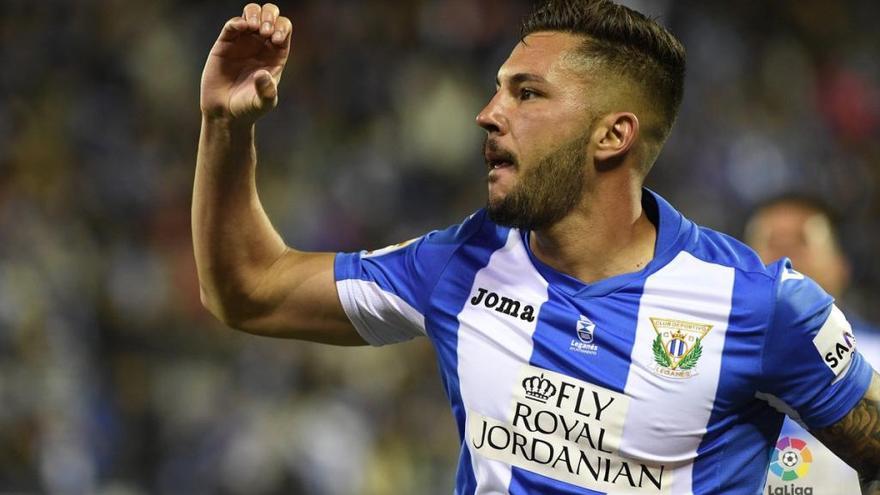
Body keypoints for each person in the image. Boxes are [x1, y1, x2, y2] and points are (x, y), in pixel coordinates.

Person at [193, 1, 880, 493]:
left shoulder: (760, 303)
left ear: (613, 136)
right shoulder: (461, 263)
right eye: (498, 90)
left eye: (527, 93)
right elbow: (248, 289)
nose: (488, 114)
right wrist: (225, 125)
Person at [745, 194, 880, 495]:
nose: (784, 256)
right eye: (769, 240)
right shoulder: (707, 362)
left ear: (841, 265)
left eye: (802, 239)